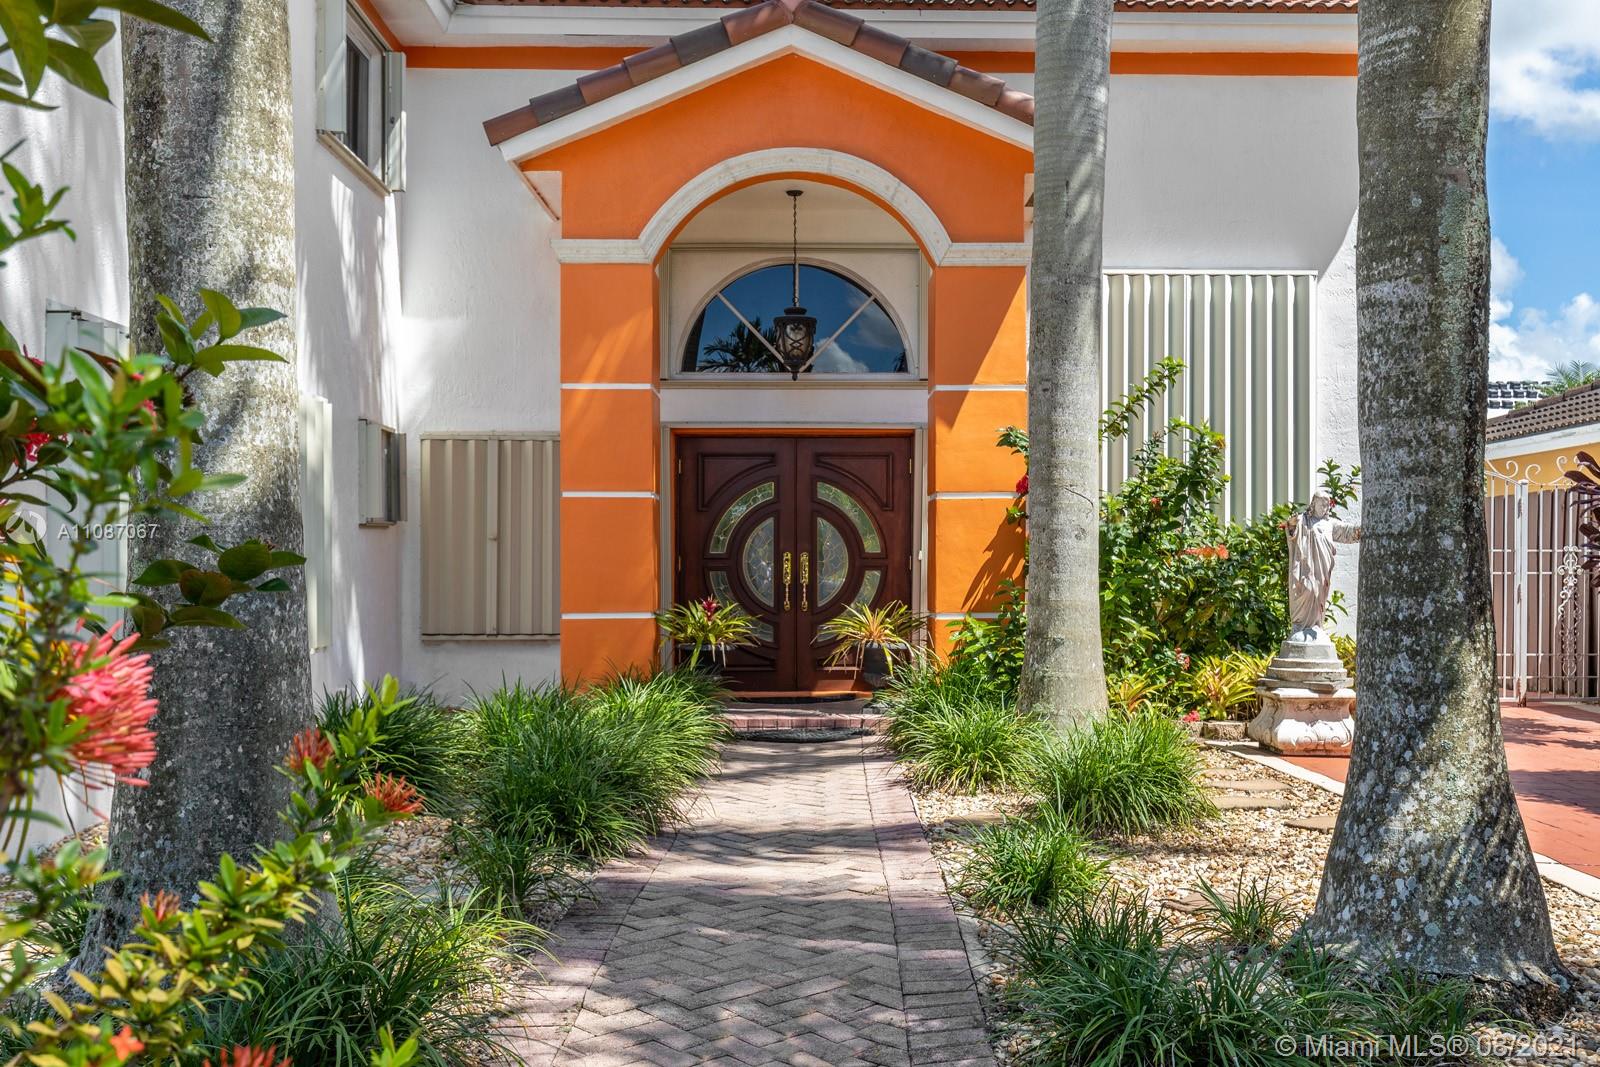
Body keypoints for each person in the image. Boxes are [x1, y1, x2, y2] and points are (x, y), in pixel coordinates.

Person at [1285, 488, 1360, 641]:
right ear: (1313, 504)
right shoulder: (1304, 521)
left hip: (1323, 569)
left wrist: (1361, 530)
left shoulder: (1329, 524)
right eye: (1321, 504)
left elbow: (1347, 532)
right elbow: (1291, 530)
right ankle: (1300, 625)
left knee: (1319, 594)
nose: (1324, 507)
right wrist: (1292, 524)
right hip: (1306, 568)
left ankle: (1316, 625)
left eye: (1326, 505)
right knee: (1307, 589)